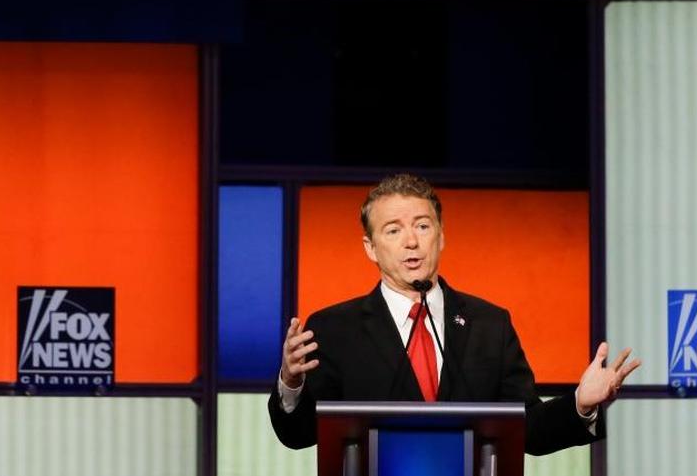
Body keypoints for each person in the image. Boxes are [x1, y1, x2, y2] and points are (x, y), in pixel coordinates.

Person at [268, 173, 640, 454]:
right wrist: (291, 383)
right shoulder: (334, 330)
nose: (411, 241)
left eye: (423, 226)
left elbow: (528, 430)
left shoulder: (490, 325)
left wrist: (580, 404)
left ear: (441, 235)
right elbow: (298, 436)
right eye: (393, 230)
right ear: (371, 248)